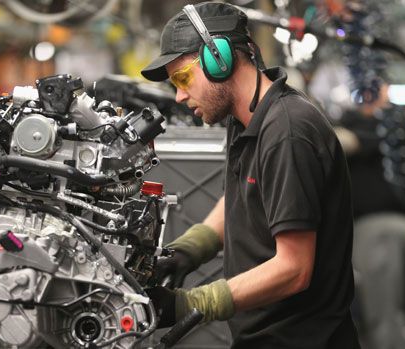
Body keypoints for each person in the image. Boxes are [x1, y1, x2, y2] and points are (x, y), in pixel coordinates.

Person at [141, 2, 360, 348]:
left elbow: (295, 268)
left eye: (182, 78)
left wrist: (194, 304)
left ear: (219, 59)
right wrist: (192, 247)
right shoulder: (249, 119)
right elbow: (250, 195)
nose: (180, 95)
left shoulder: (288, 132)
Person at [336, 81, 405, 349]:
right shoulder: (367, 120)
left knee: (383, 314)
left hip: (381, 226)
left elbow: (346, 142)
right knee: (371, 313)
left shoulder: (389, 123)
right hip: (367, 228)